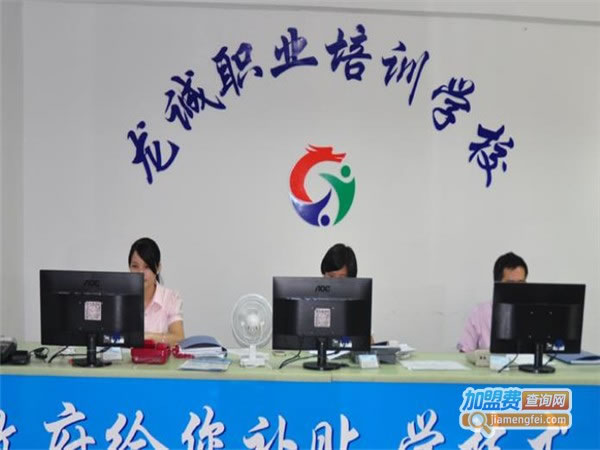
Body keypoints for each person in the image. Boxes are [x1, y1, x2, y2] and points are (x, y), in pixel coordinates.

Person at [457, 252, 528, 352]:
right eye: (510, 284)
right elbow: (464, 351)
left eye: (521, 283)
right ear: (497, 284)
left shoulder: (534, 313)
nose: (517, 290)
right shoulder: (479, 313)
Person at [128, 237, 184, 346]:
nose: (140, 272)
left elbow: (178, 338)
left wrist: (147, 337)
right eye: (135, 266)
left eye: (147, 267)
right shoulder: (119, 297)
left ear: (158, 268)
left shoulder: (170, 298)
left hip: (159, 357)